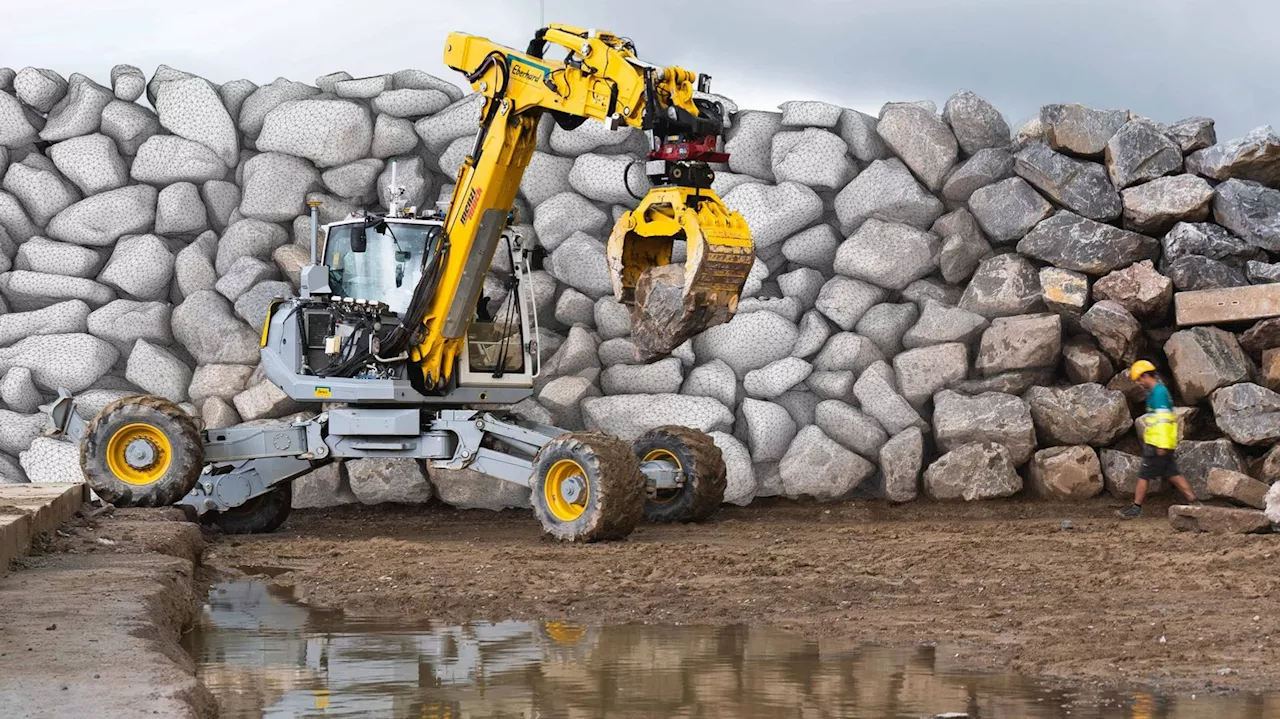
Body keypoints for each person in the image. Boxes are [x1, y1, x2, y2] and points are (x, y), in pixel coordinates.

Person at [1117, 360, 1198, 519]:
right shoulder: (1158, 392)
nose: (1139, 383)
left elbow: (1163, 421)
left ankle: (1136, 508)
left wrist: (1161, 445)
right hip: (1160, 443)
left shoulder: (1158, 393)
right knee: (1172, 473)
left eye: (1140, 379)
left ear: (1146, 376)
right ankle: (1194, 501)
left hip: (1157, 444)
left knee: (1144, 475)